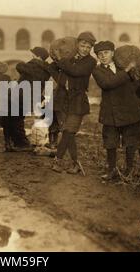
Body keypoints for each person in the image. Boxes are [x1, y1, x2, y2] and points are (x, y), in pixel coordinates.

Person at [92, 41, 140, 181]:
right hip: (111, 113)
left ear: (113, 53)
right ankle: (112, 170)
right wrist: (127, 71)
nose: (103, 56)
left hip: (129, 111)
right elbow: (107, 84)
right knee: (110, 142)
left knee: (130, 141)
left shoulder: (123, 65)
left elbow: (138, 84)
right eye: (99, 54)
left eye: (106, 53)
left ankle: (129, 170)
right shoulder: (97, 70)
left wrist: (135, 73)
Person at [50, 32, 97, 174]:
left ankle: (57, 161)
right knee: (68, 133)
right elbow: (52, 69)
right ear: (77, 44)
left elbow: (76, 72)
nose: (85, 49)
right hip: (63, 100)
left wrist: (61, 60)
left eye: (88, 47)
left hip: (77, 101)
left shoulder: (90, 61)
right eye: (82, 45)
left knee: (68, 131)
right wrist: (60, 76)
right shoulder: (69, 58)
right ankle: (75, 163)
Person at [10, 47, 51, 151]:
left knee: (15, 119)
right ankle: (23, 142)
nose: (31, 56)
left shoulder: (33, 66)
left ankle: (21, 143)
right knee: (18, 118)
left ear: (38, 56)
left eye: (33, 55)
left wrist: (34, 61)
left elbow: (19, 66)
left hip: (21, 96)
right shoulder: (46, 70)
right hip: (32, 97)